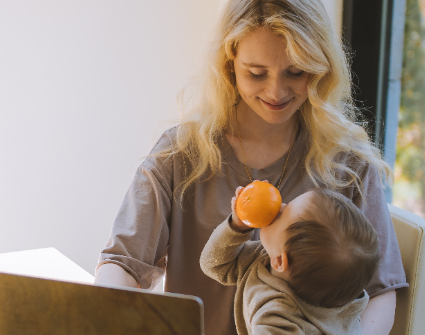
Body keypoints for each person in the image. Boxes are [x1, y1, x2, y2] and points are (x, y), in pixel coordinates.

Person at [94, 1, 408, 334]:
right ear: (229, 65)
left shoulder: (348, 163)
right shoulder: (180, 154)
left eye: (296, 71)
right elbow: (123, 262)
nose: (276, 91)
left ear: (320, 68)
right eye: (256, 73)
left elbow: (380, 291)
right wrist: (100, 313)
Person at [200, 187, 380, 335]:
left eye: (281, 215)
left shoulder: (277, 317)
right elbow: (215, 263)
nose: (280, 205)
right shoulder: (338, 290)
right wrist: (237, 226)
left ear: (280, 261)